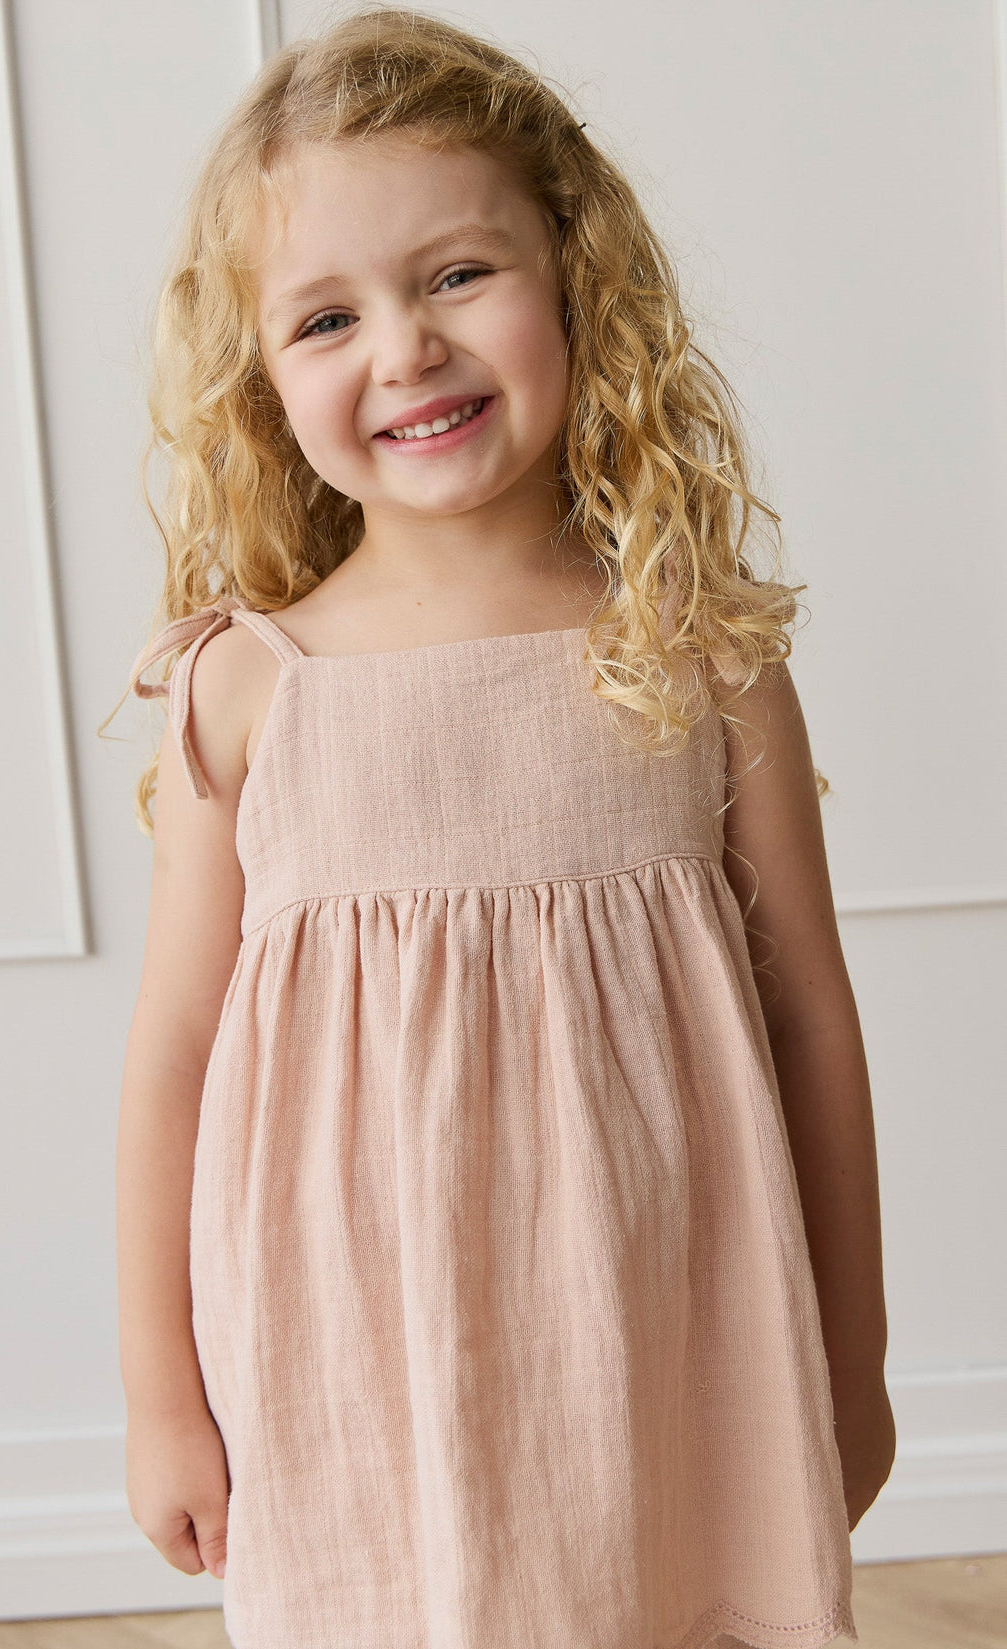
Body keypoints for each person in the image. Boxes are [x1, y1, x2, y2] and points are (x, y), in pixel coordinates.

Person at [109, 7, 895, 1646]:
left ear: (575, 277)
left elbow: (812, 1016)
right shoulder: (248, 688)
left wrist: (855, 1354)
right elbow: (174, 1055)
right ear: (262, 377)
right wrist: (160, 1393)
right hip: (351, 1350)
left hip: (664, 1330)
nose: (405, 348)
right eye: (328, 316)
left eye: (458, 274)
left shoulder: (697, 653)